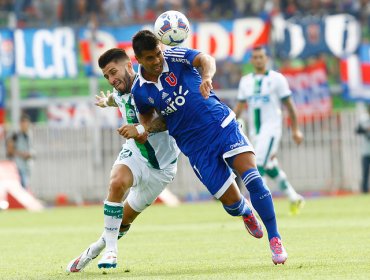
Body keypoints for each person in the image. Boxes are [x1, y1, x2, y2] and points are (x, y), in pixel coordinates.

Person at [120, 30, 287, 265]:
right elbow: (151, 122)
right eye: (150, 58)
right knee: (231, 204)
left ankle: (275, 239)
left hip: (221, 125)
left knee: (253, 177)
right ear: (139, 60)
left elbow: (205, 59)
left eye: (158, 53)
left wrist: (207, 77)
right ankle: (245, 211)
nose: (157, 60)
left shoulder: (175, 55)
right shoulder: (140, 91)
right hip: (195, 147)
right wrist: (143, 130)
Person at [66, 48, 180, 272]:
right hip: (136, 154)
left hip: (162, 169)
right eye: (106, 76)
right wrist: (107, 101)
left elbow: (168, 119)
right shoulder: (119, 90)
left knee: (123, 222)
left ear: (129, 66)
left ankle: (96, 248)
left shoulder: (148, 86)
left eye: (113, 72)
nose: (110, 79)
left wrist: (139, 128)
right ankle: (111, 251)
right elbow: (117, 99)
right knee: (116, 182)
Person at [233, 46, 305, 215]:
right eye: (255, 57)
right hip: (255, 132)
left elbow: (289, 106)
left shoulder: (277, 79)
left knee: (257, 164)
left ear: (266, 59)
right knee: (269, 165)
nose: (258, 60)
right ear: (251, 60)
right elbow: (240, 107)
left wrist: (295, 129)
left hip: (272, 129)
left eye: (261, 57)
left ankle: (258, 205)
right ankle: (294, 197)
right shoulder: (246, 81)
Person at [6, 114, 34, 189]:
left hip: (26, 167)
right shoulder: (15, 135)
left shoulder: (29, 135)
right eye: (24, 123)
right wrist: (22, 154)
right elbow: (9, 150)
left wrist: (30, 154)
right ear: (20, 124)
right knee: (21, 189)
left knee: (25, 188)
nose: (26, 125)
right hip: (17, 167)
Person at [355, 104, 370, 193]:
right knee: (365, 172)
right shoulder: (364, 119)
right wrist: (366, 129)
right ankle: (364, 190)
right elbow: (357, 130)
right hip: (366, 151)